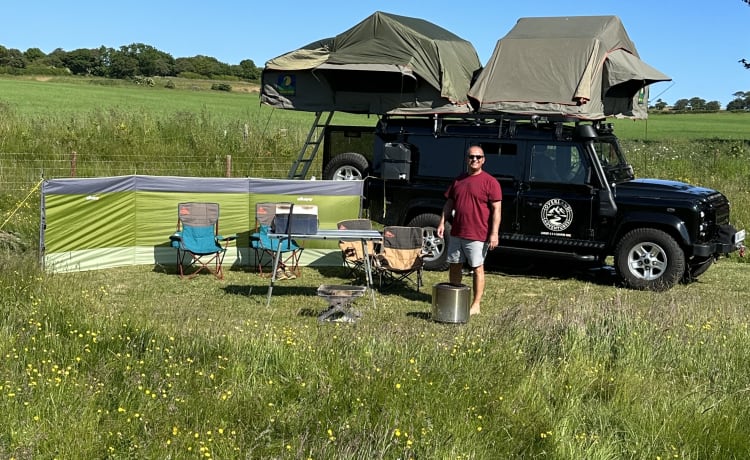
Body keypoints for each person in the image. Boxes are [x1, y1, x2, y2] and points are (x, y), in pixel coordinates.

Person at [437, 145, 502, 315]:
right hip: (457, 232)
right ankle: (457, 297)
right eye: (471, 157)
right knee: (454, 265)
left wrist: (494, 233)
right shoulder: (459, 180)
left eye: (478, 157)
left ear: (483, 160)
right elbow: (449, 203)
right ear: (466, 159)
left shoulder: (490, 182)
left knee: (477, 268)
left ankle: (476, 304)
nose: (474, 160)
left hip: (478, 234)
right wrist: (442, 222)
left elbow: (497, 210)